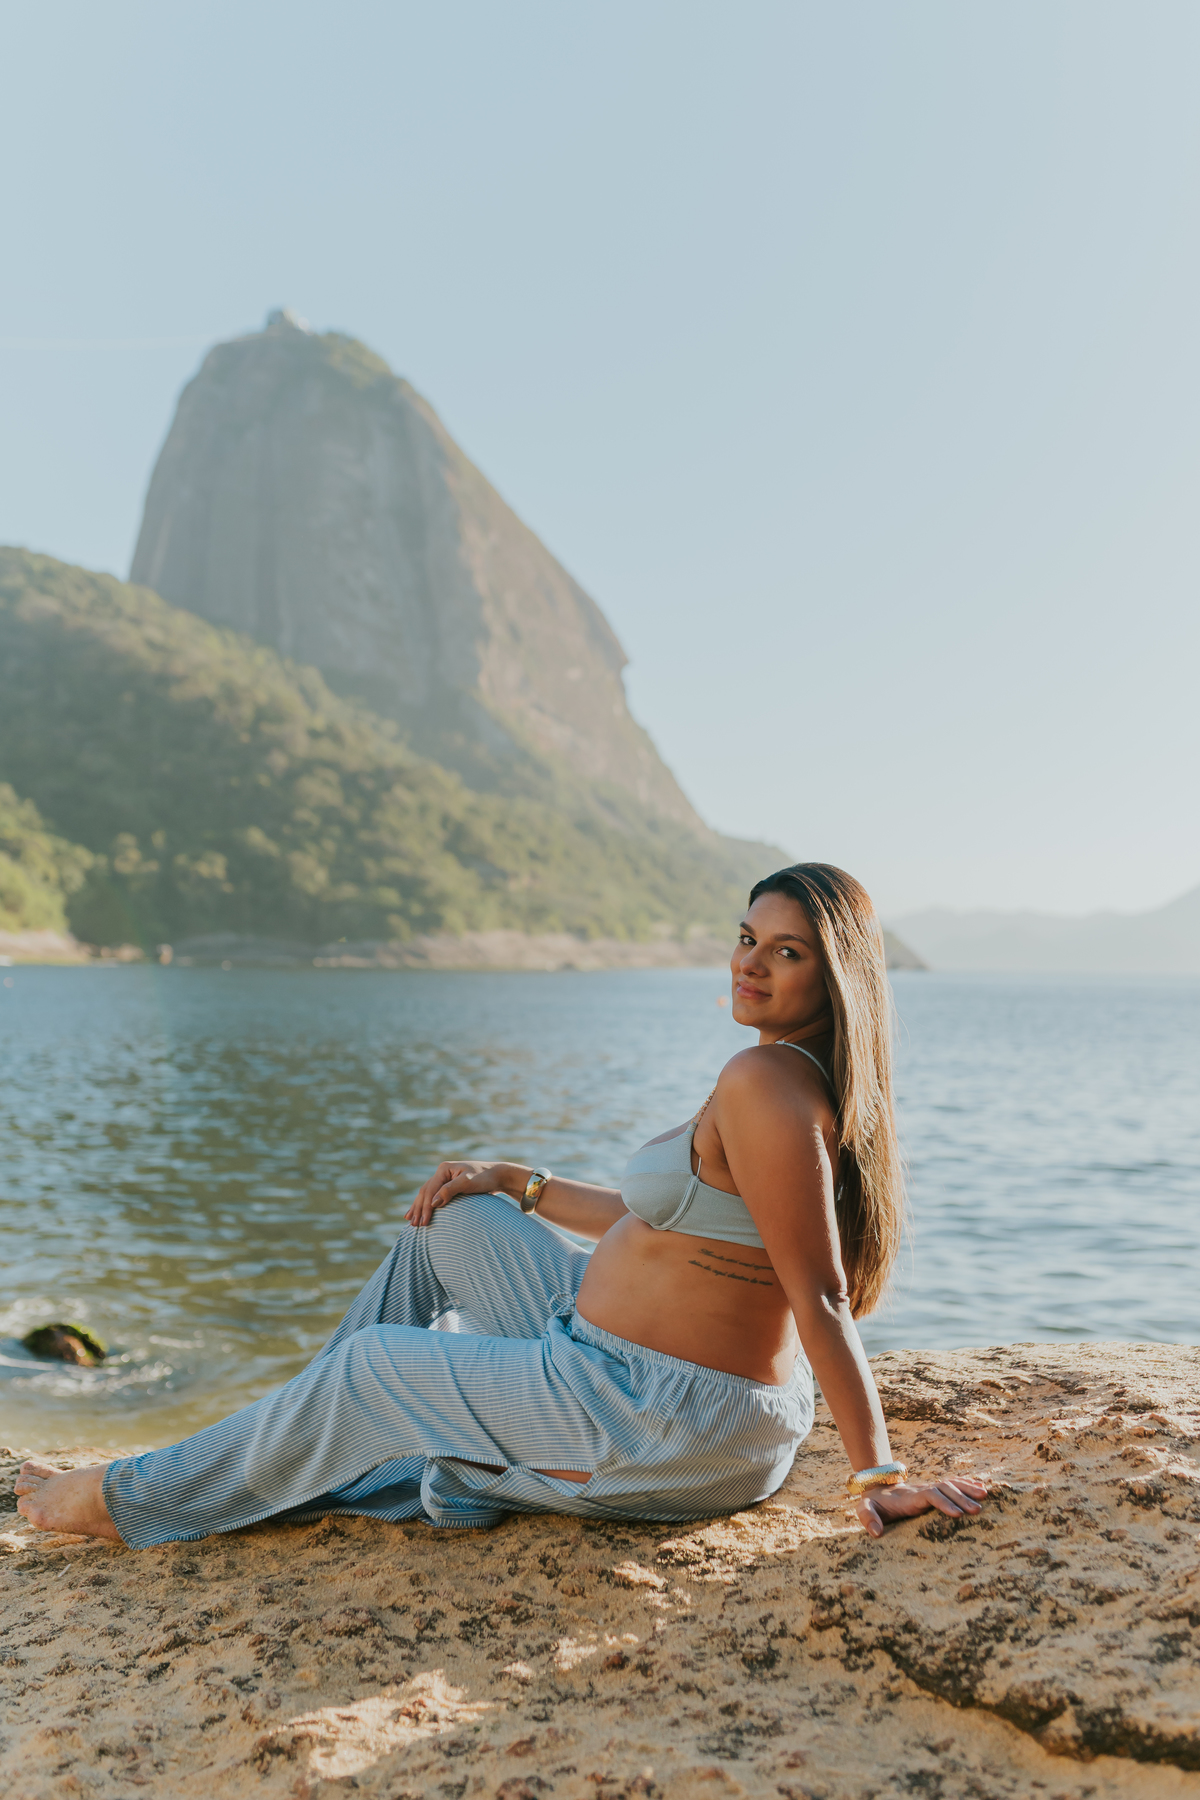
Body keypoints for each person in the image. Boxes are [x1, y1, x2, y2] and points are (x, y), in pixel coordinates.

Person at [15, 863, 985, 1545]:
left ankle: (126, 1500)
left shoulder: (765, 1086)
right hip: (618, 1368)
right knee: (451, 1221)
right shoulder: (792, 1077)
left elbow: (816, 1298)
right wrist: (516, 1181)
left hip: (653, 1417)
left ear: (836, 977)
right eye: (746, 939)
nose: (750, 964)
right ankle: (284, 1453)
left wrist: (878, 1476)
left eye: (786, 953)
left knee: (372, 1370)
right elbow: (668, 1222)